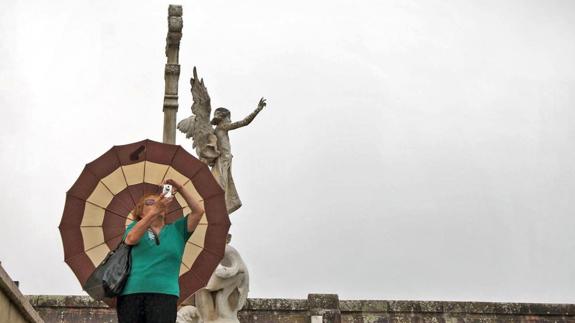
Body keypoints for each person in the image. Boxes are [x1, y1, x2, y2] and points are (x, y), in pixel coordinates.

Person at [116, 179, 204, 323]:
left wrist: (180, 188)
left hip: (165, 294)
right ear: (140, 211)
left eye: (160, 201)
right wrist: (155, 210)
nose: (156, 204)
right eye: (150, 203)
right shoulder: (133, 227)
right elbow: (131, 239)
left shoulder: (178, 230)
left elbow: (198, 211)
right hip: (131, 293)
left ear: (166, 209)